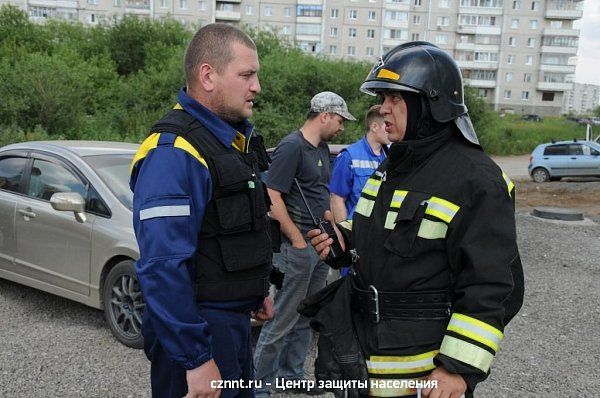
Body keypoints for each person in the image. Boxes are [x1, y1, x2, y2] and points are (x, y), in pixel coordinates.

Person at [305, 42, 524, 398]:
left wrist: (457, 369)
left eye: (395, 99)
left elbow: (494, 287)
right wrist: (342, 243)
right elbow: (374, 234)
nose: (383, 109)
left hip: (423, 377)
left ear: (431, 102)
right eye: (383, 98)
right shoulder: (395, 165)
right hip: (364, 362)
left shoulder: (477, 180)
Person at [129, 23, 274, 398]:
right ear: (208, 76)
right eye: (246, 75)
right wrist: (195, 359)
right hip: (201, 333)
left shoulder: (230, 142)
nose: (256, 86)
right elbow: (163, 266)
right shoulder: (174, 153)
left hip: (231, 324)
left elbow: (233, 231)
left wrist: (255, 291)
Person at [253, 91, 356, 397]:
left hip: (318, 247)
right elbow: (272, 197)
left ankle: (292, 375)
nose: (341, 127)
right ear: (324, 116)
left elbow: (320, 193)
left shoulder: (322, 148)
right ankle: (260, 387)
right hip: (295, 250)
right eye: (339, 120)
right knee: (282, 318)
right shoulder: (291, 147)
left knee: (305, 315)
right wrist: (297, 240)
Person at [330, 104, 389, 224]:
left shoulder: (389, 157)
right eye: (386, 125)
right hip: (356, 230)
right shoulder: (349, 156)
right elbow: (337, 200)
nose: (389, 129)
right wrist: (345, 236)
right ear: (374, 127)